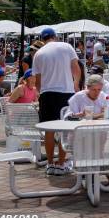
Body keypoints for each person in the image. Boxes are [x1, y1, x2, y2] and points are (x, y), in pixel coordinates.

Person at [32, 27, 81, 176]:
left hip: (47, 93)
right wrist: (76, 84)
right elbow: (76, 69)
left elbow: (38, 81)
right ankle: (61, 163)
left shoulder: (38, 53)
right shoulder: (66, 47)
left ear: (42, 39)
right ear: (55, 36)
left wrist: (40, 93)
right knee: (65, 130)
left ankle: (50, 164)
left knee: (49, 130)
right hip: (66, 92)